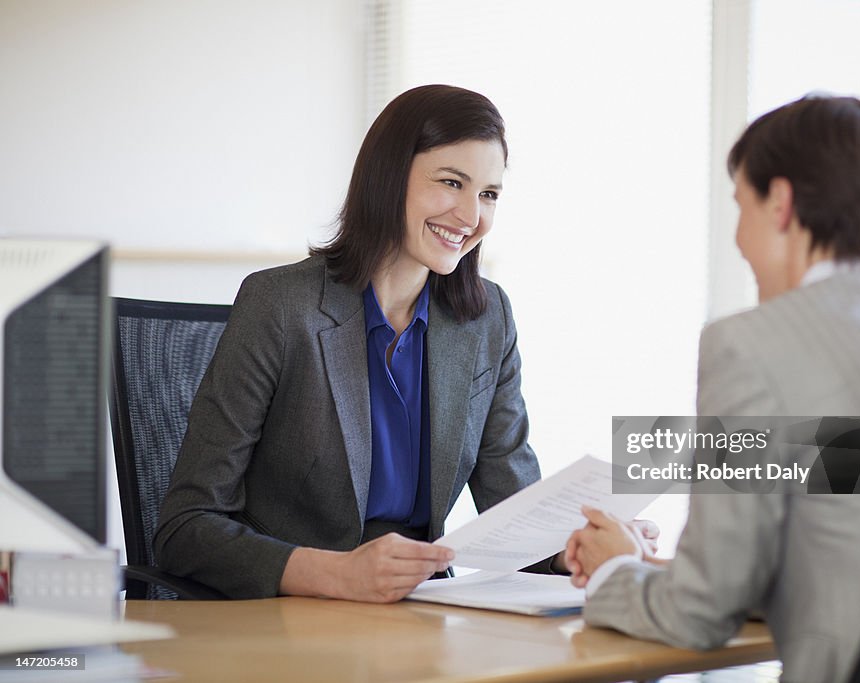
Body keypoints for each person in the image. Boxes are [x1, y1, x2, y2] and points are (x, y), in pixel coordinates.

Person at [154, 84, 564, 602]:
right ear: (389, 178)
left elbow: (515, 511)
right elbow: (185, 528)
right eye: (451, 183)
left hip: (423, 613)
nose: (470, 216)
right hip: (291, 616)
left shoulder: (487, 319)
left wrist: (571, 551)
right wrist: (336, 574)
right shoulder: (279, 306)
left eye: (488, 194)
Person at [565, 95, 860, 683]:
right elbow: (859, 548)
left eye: (741, 206)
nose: (738, 239)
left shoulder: (749, 344)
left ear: (779, 203)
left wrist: (613, 572)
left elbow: (698, 614)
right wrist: (656, 565)